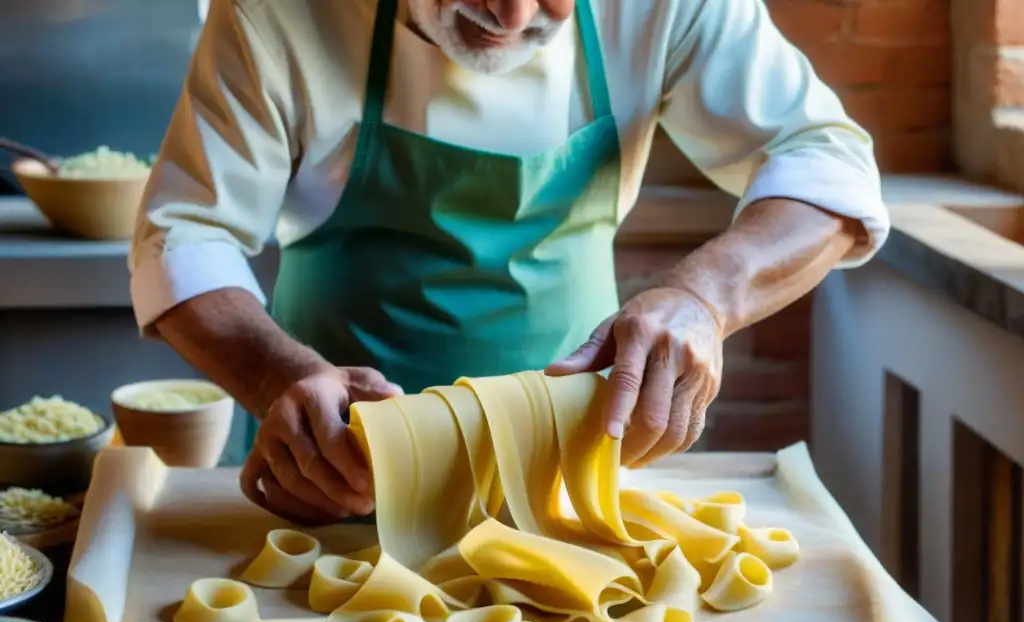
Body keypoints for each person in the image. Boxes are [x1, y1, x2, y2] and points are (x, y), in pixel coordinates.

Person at [129, 0, 889, 526]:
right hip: (328, 471)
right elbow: (184, 233)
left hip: (569, 476)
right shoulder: (276, 14)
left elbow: (827, 164)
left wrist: (706, 297)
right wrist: (276, 376)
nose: (514, 15)